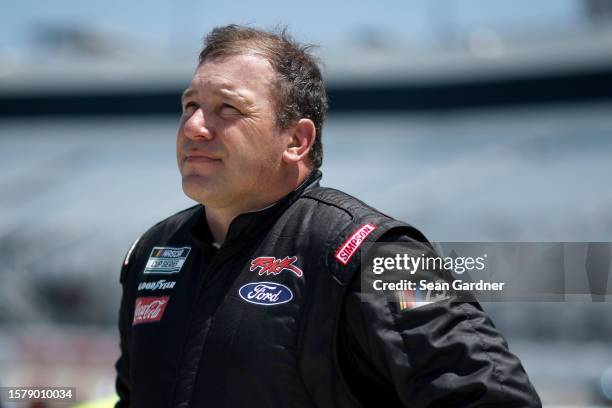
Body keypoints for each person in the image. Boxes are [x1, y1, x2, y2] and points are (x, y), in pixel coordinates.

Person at [114, 25, 541, 407]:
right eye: (190, 105)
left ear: (296, 140)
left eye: (227, 109)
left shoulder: (372, 252)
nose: (193, 128)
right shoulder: (156, 250)